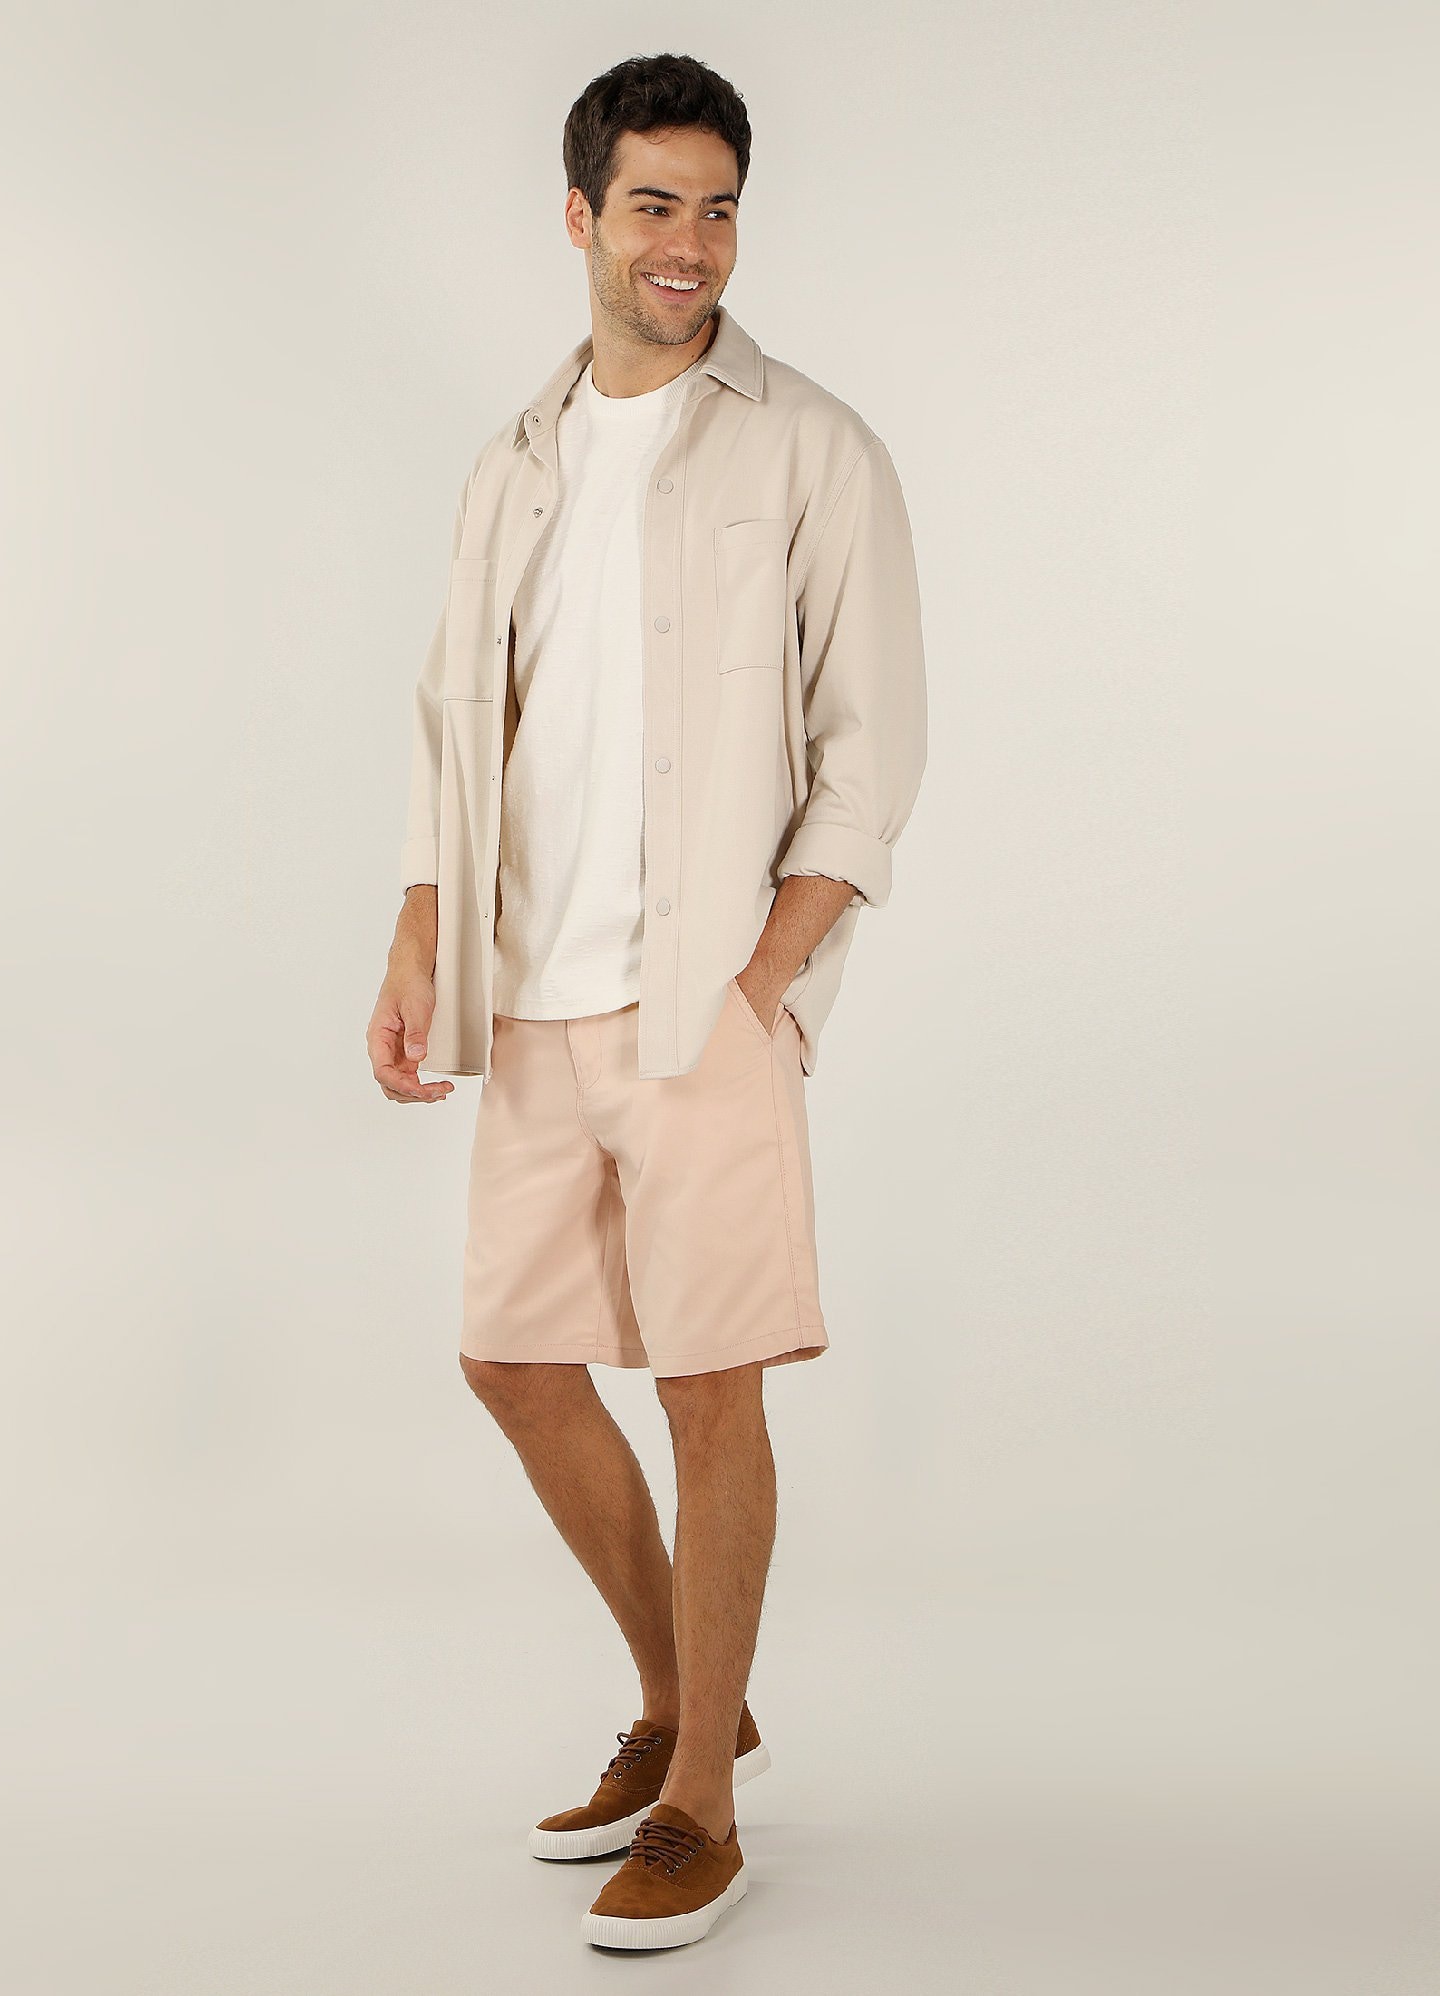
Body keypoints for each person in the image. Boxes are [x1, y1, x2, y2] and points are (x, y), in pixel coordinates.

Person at [367, 52, 928, 1951]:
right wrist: (422, 932)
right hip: (532, 994)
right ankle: (696, 1703)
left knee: (707, 1386)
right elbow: (462, 724)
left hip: (702, 1006)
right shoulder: (514, 459)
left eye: (719, 207)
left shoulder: (812, 449)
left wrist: (766, 978)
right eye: (654, 204)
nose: (690, 242)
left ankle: (701, 1806)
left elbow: (872, 748)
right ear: (582, 216)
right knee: (516, 1364)